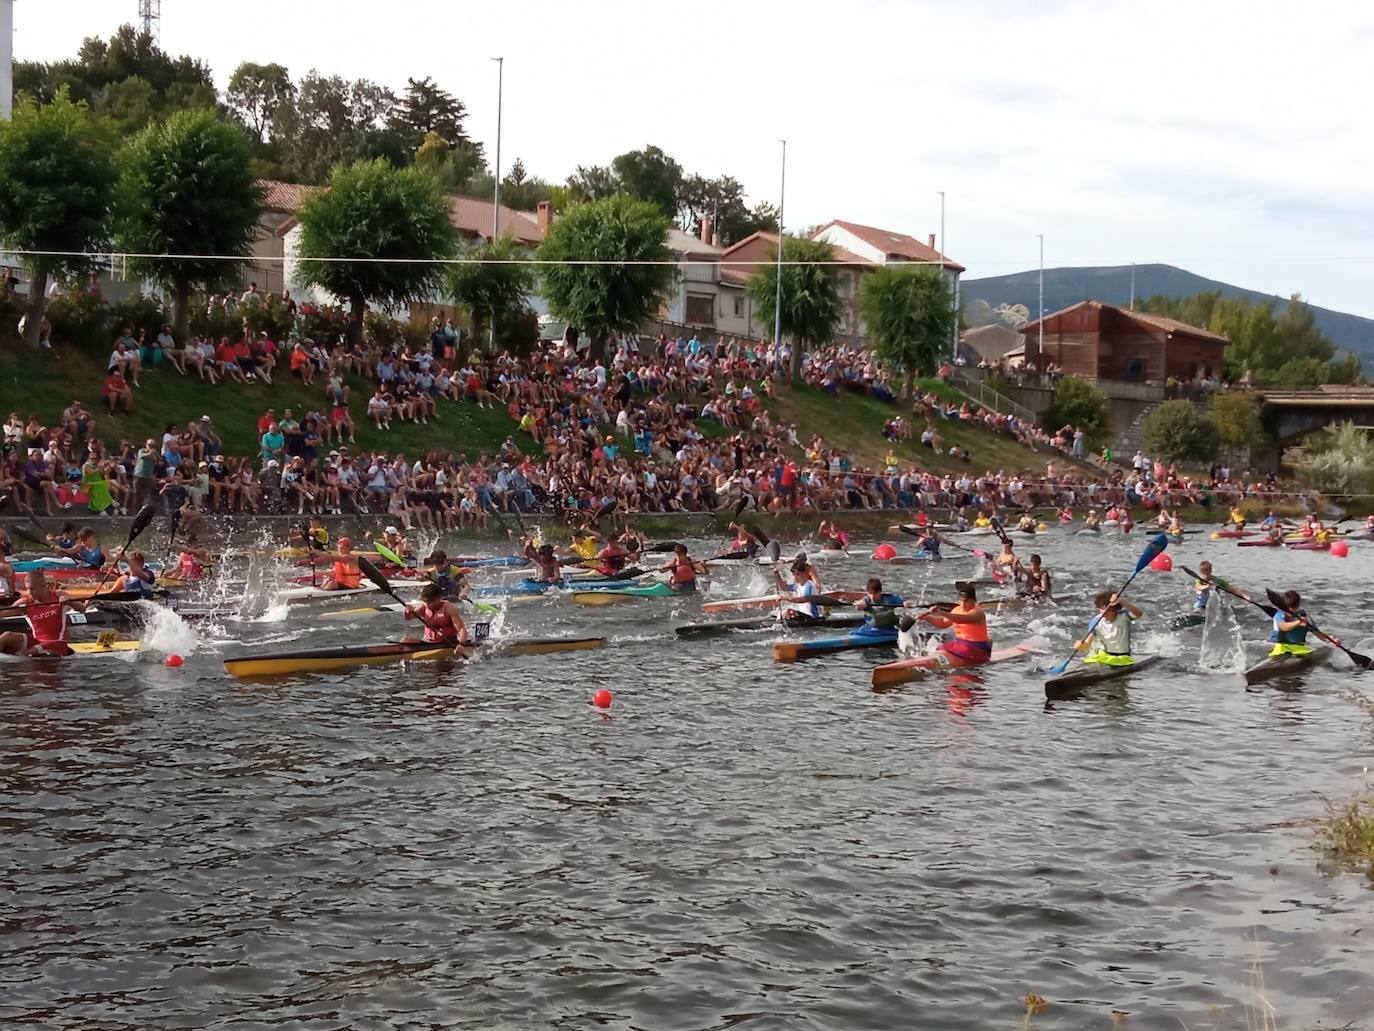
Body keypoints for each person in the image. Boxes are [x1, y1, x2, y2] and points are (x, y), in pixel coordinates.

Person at [0, 569, 89, 656]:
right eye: (28, 589)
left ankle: (24, 656)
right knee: (7, 636)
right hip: (37, 641)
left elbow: (82, 609)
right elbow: (4, 613)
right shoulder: (25, 602)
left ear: (43, 586)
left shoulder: (58, 595)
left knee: (27, 652)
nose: (30, 592)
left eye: (33, 589)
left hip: (57, 643)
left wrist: (69, 601)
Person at [913, 580, 990, 665]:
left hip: (977, 648)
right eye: (961, 601)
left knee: (943, 651)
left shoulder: (977, 612)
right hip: (960, 644)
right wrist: (927, 618)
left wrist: (941, 612)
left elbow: (961, 619)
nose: (963, 604)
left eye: (967, 601)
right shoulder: (957, 610)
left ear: (974, 600)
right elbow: (943, 623)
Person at [1076, 592, 1143, 666]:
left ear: (1115, 609)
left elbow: (1139, 614)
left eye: (1107, 609)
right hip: (1103, 656)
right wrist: (1081, 645)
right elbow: (1087, 644)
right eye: (1101, 609)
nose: (1103, 612)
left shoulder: (1124, 616)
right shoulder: (1096, 621)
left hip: (1122, 658)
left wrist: (1122, 601)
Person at [1268, 590, 1338, 656]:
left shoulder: (1305, 617)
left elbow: (1318, 634)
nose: (1289, 611)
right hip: (1279, 647)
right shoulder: (1279, 615)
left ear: (1298, 605)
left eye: (1292, 608)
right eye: (1287, 609)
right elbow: (1283, 626)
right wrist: (1298, 622)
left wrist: (1332, 641)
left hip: (1298, 648)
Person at [403, 582, 469, 646]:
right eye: (425, 601)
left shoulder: (449, 609)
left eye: (430, 601)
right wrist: (407, 611)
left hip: (447, 644)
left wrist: (461, 645)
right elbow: (408, 617)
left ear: (439, 598)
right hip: (428, 643)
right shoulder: (424, 607)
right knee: (405, 640)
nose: (427, 605)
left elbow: (461, 629)